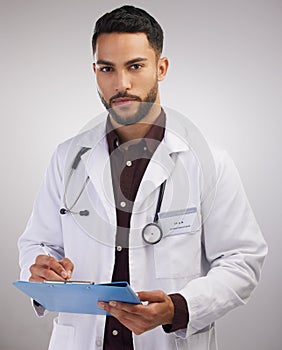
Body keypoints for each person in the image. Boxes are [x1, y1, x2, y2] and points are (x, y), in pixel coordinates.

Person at [17, 5, 267, 350]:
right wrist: (41, 267)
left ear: (160, 68)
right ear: (95, 72)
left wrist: (178, 308)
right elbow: (38, 242)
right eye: (107, 69)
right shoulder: (67, 158)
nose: (121, 84)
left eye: (135, 66)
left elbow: (243, 260)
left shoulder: (208, 161)